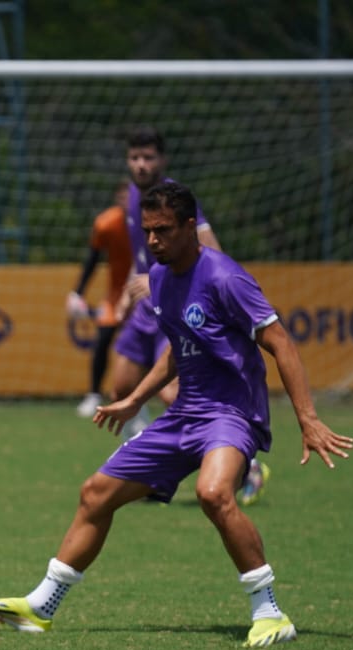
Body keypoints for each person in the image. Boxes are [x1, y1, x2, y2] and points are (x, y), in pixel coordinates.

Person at [0, 182, 353, 648]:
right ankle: (42, 606)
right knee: (96, 493)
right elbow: (178, 349)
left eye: (164, 230)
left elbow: (281, 344)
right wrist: (136, 398)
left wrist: (308, 418)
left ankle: (270, 613)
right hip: (185, 413)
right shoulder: (161, 278)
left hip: (231, 413)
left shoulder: (225, 277)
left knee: (213, 493)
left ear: (190, 227)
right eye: (148, 230)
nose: (153, 241)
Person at [107, 128, 268, 503]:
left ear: (162, 161)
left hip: (175, 301)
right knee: (120, 388)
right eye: (135, 158)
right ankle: (145, 468)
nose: (141, 165)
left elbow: (209, 248)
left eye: (148, 158)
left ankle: (245, 465)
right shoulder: (132, 197)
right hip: (145, 305)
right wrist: (126, 295)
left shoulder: (174, 200)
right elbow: (145, 251)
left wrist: (163, 280)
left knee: (170, 391)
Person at [65, 204, 133, 418]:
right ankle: (94, 394)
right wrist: (78, 292)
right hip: (114, 296)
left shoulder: (149, 221)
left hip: (145, 292)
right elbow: (93, 259)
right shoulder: (107, 223)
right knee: (102, 340)